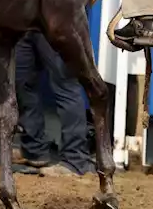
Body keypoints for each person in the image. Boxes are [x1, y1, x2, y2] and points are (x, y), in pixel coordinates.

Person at [12, 30, 95, 177]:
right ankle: (34, 150)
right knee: (22, 83)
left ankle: (75, 161)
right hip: (22, 21)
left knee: (66, 86)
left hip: (55, 20)